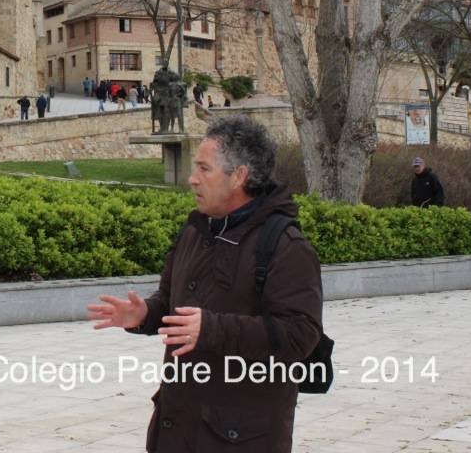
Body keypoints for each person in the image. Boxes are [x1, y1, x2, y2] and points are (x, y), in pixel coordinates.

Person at [88, 116, 324, 452]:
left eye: (204, 169)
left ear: (239, 176)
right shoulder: (196, 231)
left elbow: (300, 335)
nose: (192, 179)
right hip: (177, 427)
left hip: (240, 439)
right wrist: (146, 315)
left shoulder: (285, 245)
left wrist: (212, 329)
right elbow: (172, 301)